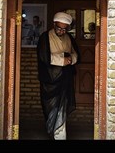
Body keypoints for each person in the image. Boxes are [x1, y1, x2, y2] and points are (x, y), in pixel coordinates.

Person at [36, 12, 81, 140]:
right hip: (50, 81)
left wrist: (71, 60)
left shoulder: (69, 37)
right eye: (59, 28)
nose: (61, 31)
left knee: (62, 107)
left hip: (65, 80)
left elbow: (75, 53)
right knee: (51, 108)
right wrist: (62, 60)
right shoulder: (45, 37)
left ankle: (60, 135)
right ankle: (53, 132)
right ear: (54, 24)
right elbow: (44, 57)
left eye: (64, 29)